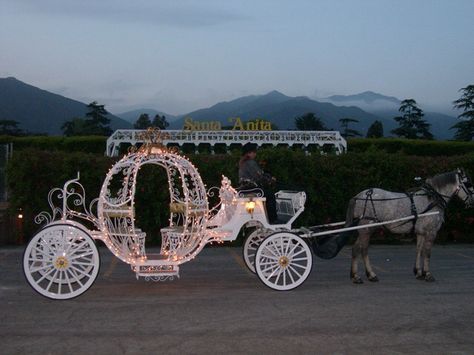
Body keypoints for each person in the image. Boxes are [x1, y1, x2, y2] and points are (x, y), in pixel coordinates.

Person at [238, 143, 278, 223]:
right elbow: (259, 176)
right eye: (254, 152)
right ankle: (272, 219)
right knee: (270, 195)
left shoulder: (243, 162)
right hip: (252, 189)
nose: (255, 154)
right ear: (249, 153)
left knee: (267, 193)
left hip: (246, 188)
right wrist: (270, 180)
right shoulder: (250, 162)